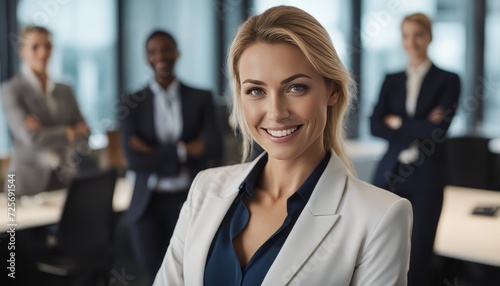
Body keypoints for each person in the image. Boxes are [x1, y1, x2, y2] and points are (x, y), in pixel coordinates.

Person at [154, 6, 412, 286]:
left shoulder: (379, 217)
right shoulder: (205, 189)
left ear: (332, 90)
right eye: (256, 91)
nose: (276, 112)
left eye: (296, 87)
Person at [118, 30, 224, 281]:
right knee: (156, 275)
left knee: (191, 273)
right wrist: (185, 149)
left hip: (189, 199)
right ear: (147, 57)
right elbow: (134, 160)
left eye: (166, 49)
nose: (160, 56)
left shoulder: (200, 98)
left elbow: (214, 149)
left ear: (177, 52)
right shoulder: (132, 102)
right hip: (148, 205)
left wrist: (154, 152)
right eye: (153, 51)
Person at [370, 13, 461, 286]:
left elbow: (438, 131)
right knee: (382, 249)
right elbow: (375, 125)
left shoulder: (448, 80)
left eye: (418, 35)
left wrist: (396, 121)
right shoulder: (391, 79)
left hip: (427, 178)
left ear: (429, 37)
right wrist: (417, 123)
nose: (412, 42)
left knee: (419, 252)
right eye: (406, 35)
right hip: (390, 174)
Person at [1, 26, 89, 196]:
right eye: (35, 47)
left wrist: (45, 132)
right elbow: (31, 138)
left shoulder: (65, 90)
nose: (43, 53)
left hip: (65, 179)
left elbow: (85, 133)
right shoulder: (11, 90)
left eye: (47, 46)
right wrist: (68, 131)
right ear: (22, 51)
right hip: (25, 184)